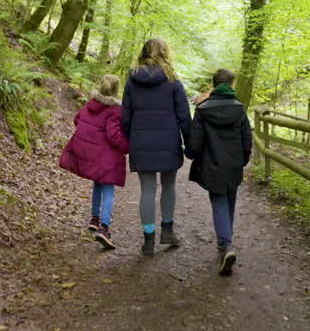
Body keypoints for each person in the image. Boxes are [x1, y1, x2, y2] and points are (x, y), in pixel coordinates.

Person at [122, 38, 191, 255]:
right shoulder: (173, 81)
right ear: (165, 54)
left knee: (147, 190)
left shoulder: (132, 81)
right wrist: (190, 142)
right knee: (169, 186)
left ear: (143, 53)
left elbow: (125, 116)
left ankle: (148, 240)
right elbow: (184, 116)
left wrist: (129, 139)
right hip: (168, 142)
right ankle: (167, 231)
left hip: (141, 142)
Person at [187, 68, 252, 275]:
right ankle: (226, 243)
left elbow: (194, 143)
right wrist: (242, 160)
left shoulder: (203, 109)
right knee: (229, 199)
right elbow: (246, 140)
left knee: (219, 201)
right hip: (233, 164)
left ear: (214, 85)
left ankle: (225, 245)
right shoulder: (239, 109)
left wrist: (190, 154)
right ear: (231, 85)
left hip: (212, 164)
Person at [59, 74, 129, 249]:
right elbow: (113, 135)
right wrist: (128, 146)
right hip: (108, 157)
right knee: (108, 190)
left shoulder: (89, 105)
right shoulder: (115, 110)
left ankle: (94, 219)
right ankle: (104, 228)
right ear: (116, 90)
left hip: (93, 156)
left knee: (97, 185)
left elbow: (77, 120)